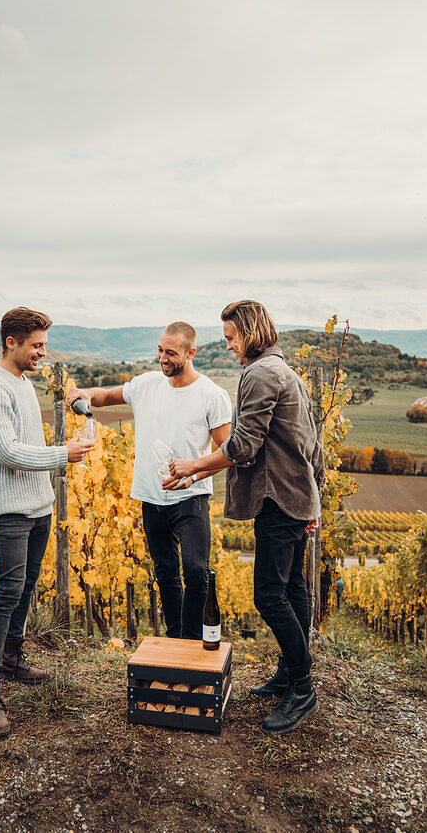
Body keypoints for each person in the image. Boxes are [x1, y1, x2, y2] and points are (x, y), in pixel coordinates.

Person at [169, 300, 324, 735]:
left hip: (278, 498)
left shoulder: (260, 374)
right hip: (294, 495)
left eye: (232, 338)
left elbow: (243, 446)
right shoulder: (284, 370)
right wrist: (313, 496)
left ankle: (303, 689)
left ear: (251, 332)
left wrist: (193, 466)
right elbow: (311, 441)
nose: (229, 346)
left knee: (269, 596)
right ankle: (291, 673)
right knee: (292, 588)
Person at [65, 322, 232, 640]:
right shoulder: (146, 385)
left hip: (190, 497)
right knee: (165, 573)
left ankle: (193, 640)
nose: (163, 358)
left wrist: (194, 474)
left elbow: (227, 454)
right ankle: (176, 640)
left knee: (196, 572)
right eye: (160, 350)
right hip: (151, 498)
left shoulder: (212, 395)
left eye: (171, 352)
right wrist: (86, 393)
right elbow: (103, 397)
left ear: (191, 353)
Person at [0, 307, 92, 737]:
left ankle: (11, 658)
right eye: (37, 345)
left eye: (44, 344)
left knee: (25, 586)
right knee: (7, 591)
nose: (43, 352)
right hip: (8, 509)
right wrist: (64, 454)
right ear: (12, 343)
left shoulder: (22, 383)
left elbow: (26, 447)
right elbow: (7, 452)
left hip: (39, 504)